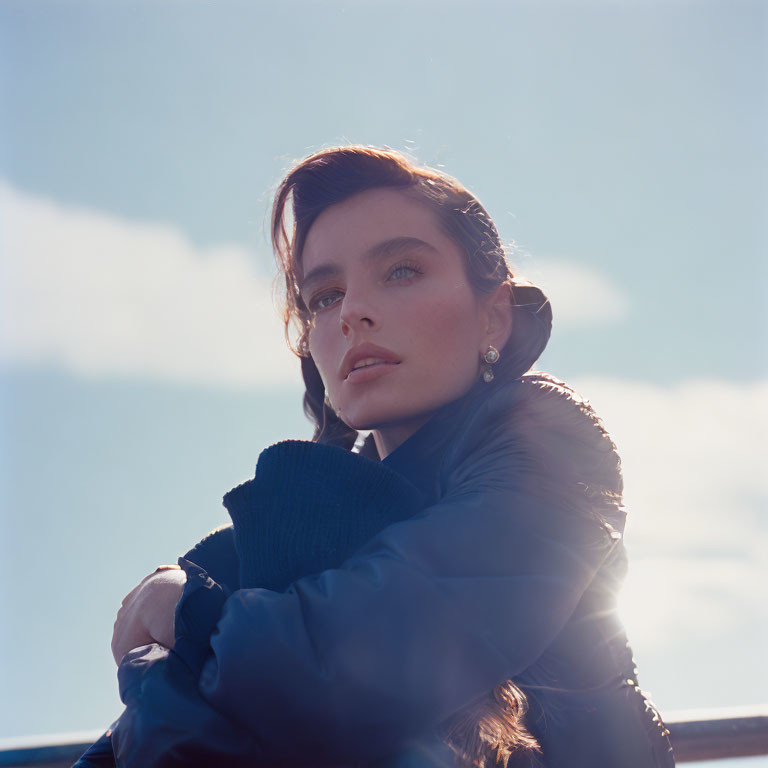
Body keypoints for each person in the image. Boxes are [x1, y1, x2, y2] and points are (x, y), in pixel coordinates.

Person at [76, 146, 675, 768]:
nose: (353, 313)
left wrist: (183, 611)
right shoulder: (308, 508)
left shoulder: (549, 442)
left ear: (493, 316)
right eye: (325, 295)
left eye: (401, 271)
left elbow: (369, 661)